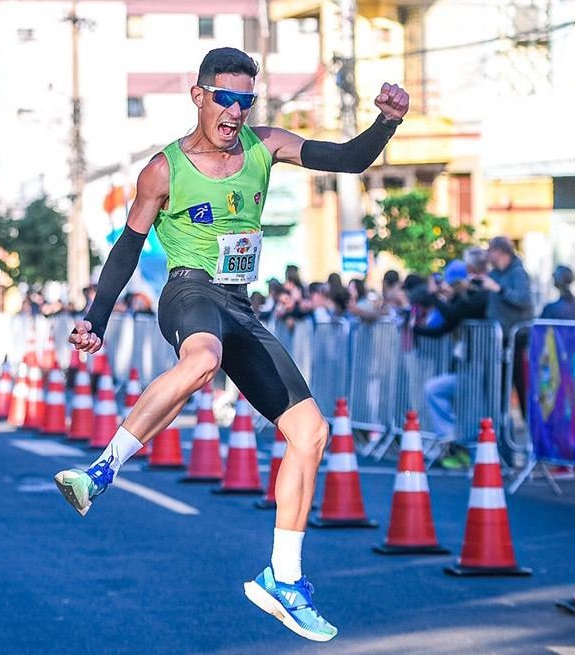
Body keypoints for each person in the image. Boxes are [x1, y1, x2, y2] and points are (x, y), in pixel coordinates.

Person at [54, 47, 408, 642]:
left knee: (311, 432)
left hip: (239, 305)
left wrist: (387, 122)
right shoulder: (163, 170)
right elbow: (128, 247)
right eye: (226, 98)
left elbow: (347, 159)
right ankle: (102, 470)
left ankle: (283, 579)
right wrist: (97, 318)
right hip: (189, 293)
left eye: (246, 100)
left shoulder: (264, 147)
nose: (236, 111)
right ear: (199, 96)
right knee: (202, 360)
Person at [417, 249, 490, 469]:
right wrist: (416, 329)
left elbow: (453, 313)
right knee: (434, 390)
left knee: (473, 413)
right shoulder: (460, 299)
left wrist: (435, 297)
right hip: (465, 367)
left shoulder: (477, 296)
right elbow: (443, 328)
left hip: (480, 366)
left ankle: (471, 453)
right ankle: (452, 442)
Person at [477, 236, 534, 463]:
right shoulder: (495, 274)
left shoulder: (517, 273)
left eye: (490, 251)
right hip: (498, 343)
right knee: (499, 396)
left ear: (500, 251)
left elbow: (524, 299)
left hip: (515, 342)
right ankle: (503, 451)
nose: (487, 255)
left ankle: (532, 448)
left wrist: (499, 289)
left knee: (522, 395)